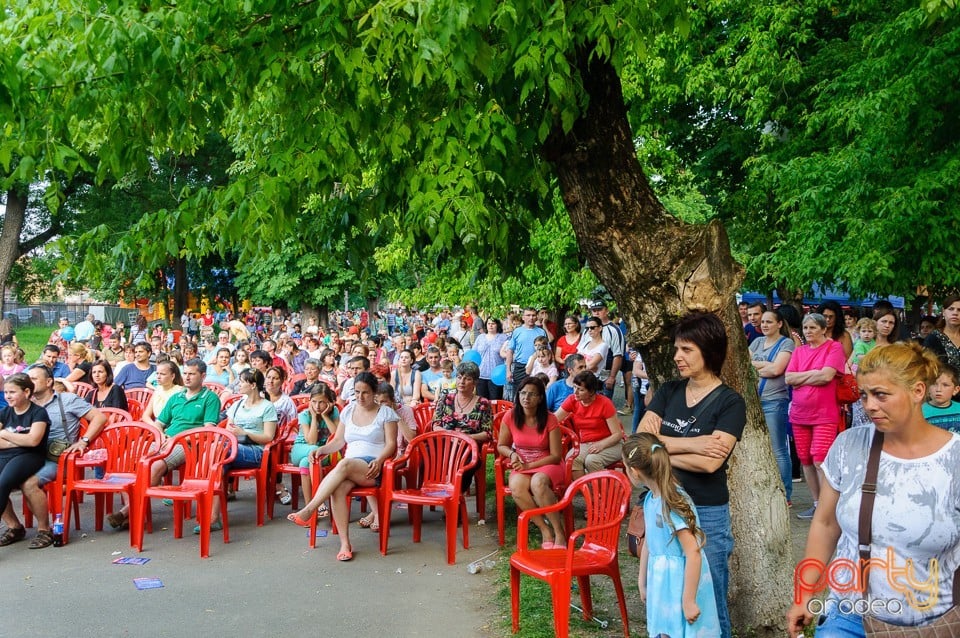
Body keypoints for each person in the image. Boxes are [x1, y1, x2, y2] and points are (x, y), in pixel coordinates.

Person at [787, 342, 960, 635]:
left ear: (918, 392)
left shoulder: (953, 459)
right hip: (849, 613)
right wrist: (804, 595)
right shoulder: (849, 445)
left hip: (933, 620)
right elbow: (826, 523)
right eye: (864, 395)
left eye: (881, 395)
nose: (869, 405)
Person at [638, 311, 747, 638]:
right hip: (665, 507)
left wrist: (663, 445)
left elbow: (711, 464)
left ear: (709, 351)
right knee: (670, 596)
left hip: (707, 513)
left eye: (686, 349)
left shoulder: (730, 403)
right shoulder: (669, 391)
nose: (677, 357)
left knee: (709, 599)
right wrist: (696, 443)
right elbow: (640, 449)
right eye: (677, 349)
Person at [288, 372, 398, 562]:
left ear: (374, 393)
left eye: (365, 393)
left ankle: (310, 508)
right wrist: (321, 449)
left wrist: (379, 460)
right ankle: (345, 544)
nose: (361, 397)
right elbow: (338, 441)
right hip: (349, 467)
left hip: (372, 467)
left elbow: (391, 444)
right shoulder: (348, 410)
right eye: (357, 392)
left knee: (344, 463)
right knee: (338, 488)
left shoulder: (385, 413)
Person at [622, 433, 721, 637]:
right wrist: (643, 581)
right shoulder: (650, 499)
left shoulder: (672, 503)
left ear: (634, 471)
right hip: (662, 582)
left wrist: (689, 600)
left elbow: (693, 552)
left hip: (683, 583)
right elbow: (649, 541)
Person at [0, 365, 107, 547]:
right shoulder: (22, 403)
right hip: (25, 454)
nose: (30, 382)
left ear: (49, 382)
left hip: (58, 458)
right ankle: (14, 526)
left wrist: (84, 440)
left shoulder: (67, 400)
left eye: (34, 379)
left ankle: (44, 530)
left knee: (29, 482)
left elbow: (100, 417)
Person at [111, 359, 221, 525]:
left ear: (203, 376)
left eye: (192, 374)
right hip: (165, 439)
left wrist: (177, 439)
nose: (188, 377)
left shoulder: (210, 398)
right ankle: (132, 512)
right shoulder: (176, 397)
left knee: (155, 465)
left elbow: (208, 431)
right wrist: (160, 435)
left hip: (188, 444)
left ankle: (126, 512)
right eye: (185, 373)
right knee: (126, 462)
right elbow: (159, 423)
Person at [785, 313, 846, 520]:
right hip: (799, 413)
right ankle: (817, 503)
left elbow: (827, 376)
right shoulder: (799, 351)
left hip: (824, 413)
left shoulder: (834, 347)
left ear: (822, 329)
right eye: (805, 328)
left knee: (820, 457)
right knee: (805, 459)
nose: (808, 331)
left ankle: (829, 507)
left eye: (812, 328)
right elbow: (789, 377)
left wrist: (802, 378)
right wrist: (814, 374)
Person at [495, 376, 566, 548]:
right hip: (522, 460)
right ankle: (544, 529)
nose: (526, 398)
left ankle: (559, 532)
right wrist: (512, 455)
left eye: (532, 394)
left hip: (548, 462)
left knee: (538, 483)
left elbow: (556, 455)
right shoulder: (510, 416)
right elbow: (501, 445)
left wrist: (529, 466)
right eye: (523, 393)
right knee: (517, 487)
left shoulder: (550, 419)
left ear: (541, 398)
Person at [207, 369, 278, 532]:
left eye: (242, 382)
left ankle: (199, 484)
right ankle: (214, 517)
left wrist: (245, 433)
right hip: (231, 449)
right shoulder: (237, 404)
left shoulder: (267, 407)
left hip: (255, 451)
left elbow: (268, 437)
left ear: (253, 385)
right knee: (217, 467)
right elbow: (229, 427)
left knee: (216, 453)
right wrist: (233, 433)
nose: (238, 385)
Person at [0, 373, 52, 550]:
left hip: (30, 456)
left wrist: (6, 435)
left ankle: (45, 530)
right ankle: (14, 526)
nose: (8, 396)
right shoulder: (5, 412)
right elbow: (25, 439)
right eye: (6, 392)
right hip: (8, 454)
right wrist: (17, 440)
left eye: (12, 392)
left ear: (26, 391)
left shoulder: (38, 412)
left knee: (4, 482)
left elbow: (33, 441)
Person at [748, 309, 795, 503]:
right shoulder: (757, 342)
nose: (764, 325)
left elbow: (777, 369)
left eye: (769, 322)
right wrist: (764, 367)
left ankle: (786, 494)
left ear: (779, 324)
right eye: (763, 322)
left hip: (775, 401)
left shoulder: (786, 343)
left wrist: (757, 367)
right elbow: (745, 364)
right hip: (754, 401)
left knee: (778, 449)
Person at [430, 361, 493, 493]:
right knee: (425, 461)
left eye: (467, 378)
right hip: (445, 444)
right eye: (459, 377)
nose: (462, 381)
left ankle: (455, 499)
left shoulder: (483, 403)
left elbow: (487, 433)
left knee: (465, 467)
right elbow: (435, 424)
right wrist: (451, 436)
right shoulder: (446, 398)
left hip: (468, 447)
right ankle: (432, 494)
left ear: (475, 382)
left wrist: (466, 438)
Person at [554, 370, 623, 478]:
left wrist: (601, 444)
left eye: (580, 390)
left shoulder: (605, 403)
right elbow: (555, 419)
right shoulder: (573, 400)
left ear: (591, 392)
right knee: (572, 458)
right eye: (574, 387)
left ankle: (603, 491)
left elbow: (617, 434)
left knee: (592, 460)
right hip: (587, 443)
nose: (575, 392)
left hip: (611, 443)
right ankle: (587, 490)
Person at [290, 384, 340, 513]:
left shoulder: (334, 412)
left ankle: (308, 508)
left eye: (322, 402)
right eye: (314, 402)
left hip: (323, 453)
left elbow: (336, 436)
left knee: (306, 462)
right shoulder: (305, 414)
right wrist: (313, 417)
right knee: (312, 450)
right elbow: (311, 440)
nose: (317, 406)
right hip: (301, 449)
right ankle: (319, 501)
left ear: (329, 403)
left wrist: (324, 416)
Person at [504, 308, 548, 393]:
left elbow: (547, 351)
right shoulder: (517, 331)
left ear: (536, 317)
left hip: (537, 366)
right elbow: (510, 351)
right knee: (519, 393)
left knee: (536, 393)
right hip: (520, 367)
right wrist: (508, 370)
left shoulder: (541, 332)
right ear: (523, 317)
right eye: (528, 315)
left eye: (533, 315)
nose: (531, 318)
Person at [589, 301, 626, 400]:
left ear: (606, 310)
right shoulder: (588, 330)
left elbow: (618, 355)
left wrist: (612, 377)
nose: (596, 313)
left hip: (605, 376)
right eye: (594, 310)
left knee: (603, 408)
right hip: (588, 375)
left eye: (599, 310)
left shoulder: (614, 330)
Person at [473, 317, 508, 400]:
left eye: (493, 323)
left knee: (495, 401)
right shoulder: (480, 337)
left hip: (497, 375)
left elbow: (507, 354)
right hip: (481, 375)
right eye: (489, 323)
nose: (490, 326)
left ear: (497, 325)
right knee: (481, 402)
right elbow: (474, 353)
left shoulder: (503, 338)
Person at [924, 293, 960, 372]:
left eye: (959, 310)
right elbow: (927, 369)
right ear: (943, 312)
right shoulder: (933, 338)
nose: (955, 313)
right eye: (951, 309)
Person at [140, 361, 183, 426]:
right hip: (156, 425)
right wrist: (155, 426)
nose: (158, 377)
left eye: (162, 374)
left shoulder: (180, 391)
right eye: (157, 373)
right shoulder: (158, 390)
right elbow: (146, 416)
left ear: (172, 376)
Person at [923, 365, 960, 434]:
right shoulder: (919, 412)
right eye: (934, 384)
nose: (938, 389)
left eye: (945, 385)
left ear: (955, 390)